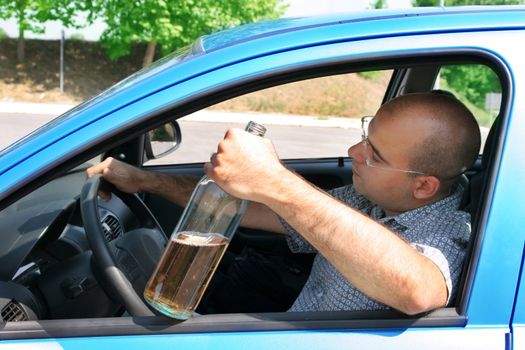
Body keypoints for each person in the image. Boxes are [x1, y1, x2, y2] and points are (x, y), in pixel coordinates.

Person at [87, 92, 481, 315]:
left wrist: (276, 179)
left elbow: (419, 291)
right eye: (365, 135)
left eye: (373, 154)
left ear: (424, 187)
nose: (352, 152)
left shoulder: (450, 229)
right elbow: (266, 210)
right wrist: (142, 181)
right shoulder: (372, 199)